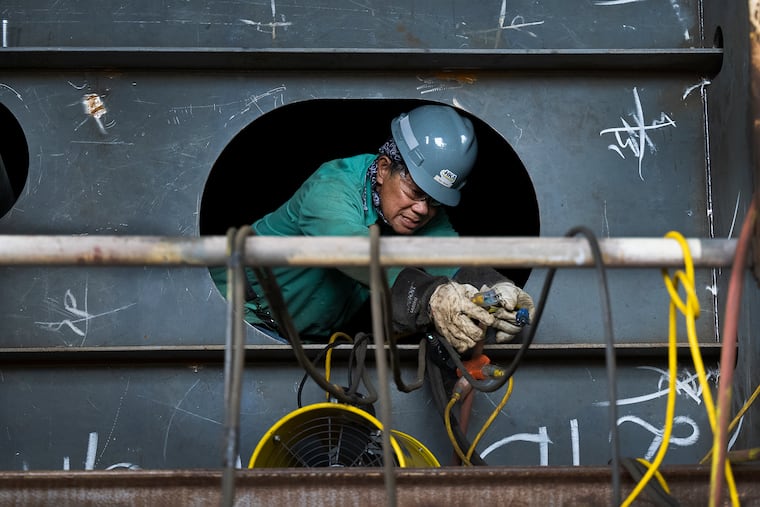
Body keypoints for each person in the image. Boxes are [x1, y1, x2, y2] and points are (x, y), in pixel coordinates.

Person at [211, 104, 534, 353]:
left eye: (435, 201)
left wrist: (497, 288)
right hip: (230, 314)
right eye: (416, 193)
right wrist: (431, 297)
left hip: (306, 341)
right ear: (382, 169)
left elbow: (450, 257)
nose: (423, 210)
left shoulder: (417, 211)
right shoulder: (331, 189)